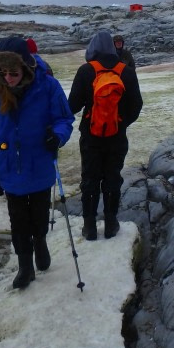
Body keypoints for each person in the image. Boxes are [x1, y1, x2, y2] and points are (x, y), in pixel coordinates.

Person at [0, 37, 74, 289]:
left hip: (39, 160)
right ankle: (25, 267)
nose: (8, 78)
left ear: (27, 67)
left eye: (14, 72)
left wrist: (58, 135)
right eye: (3, 72)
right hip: (9, 165)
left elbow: (64, 118)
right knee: (17, 219)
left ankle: (40, 241)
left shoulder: (48, 86)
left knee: (39, 214)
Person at [68, 31, 143, 241]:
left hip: (91, 136)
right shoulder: (126, 72)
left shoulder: (86, 71)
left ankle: (89, 226)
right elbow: (136, 105)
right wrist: (121, 123)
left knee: (90, 179)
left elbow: (72, 105)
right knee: (112, 178)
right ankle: (111, 223)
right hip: (117, 136)